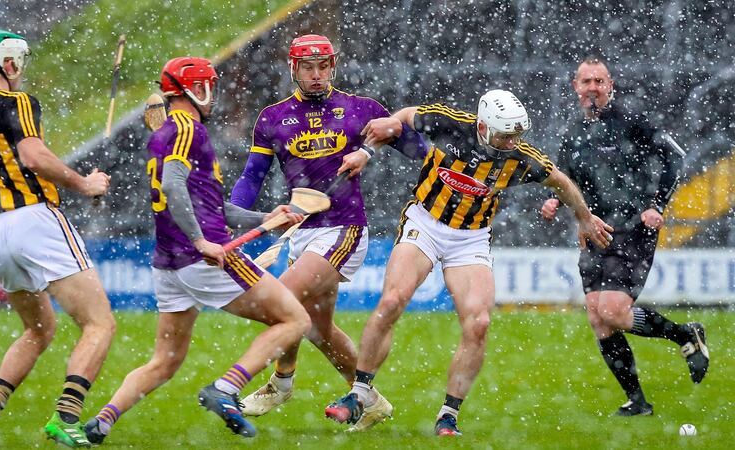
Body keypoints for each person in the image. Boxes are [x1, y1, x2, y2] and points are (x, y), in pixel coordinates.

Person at [325, 89, 615, 436]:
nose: (512, 142)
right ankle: (359, 393)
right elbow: (405, 116)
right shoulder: (450, 124)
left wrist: (584, 218)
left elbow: (562, 183)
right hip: (425, 223)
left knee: (478, 323)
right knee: (391, 301)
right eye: (506, 135)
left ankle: (448, 415)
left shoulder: (523, 158)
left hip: (471, 238)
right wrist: (380, 136)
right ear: (482, 126)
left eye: (517, 135)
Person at [82, 57, 310, 442]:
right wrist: (200, 241)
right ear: (196, 89)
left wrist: (267, 218)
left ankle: (102, 420)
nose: (213, 94)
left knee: (165, 361)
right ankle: (225, 388)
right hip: (205, 256)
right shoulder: (189, 130)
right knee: (295, 321)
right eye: (209, 86)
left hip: (168, 263)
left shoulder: (167, 133)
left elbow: (216, 207)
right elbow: (173, 187)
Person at [229, 34, 427, 430]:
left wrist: (369, 150)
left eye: (323, 66)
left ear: (333, 66)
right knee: (319, 330)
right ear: (293, 68)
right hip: (302, 231)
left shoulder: (361, 109)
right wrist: (232, 216)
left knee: (280, 301)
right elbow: (252, 176)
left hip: (344, 229)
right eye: (308, 67)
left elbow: (418, 148)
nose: (317, 75)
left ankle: (281, 383)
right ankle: (369, 400)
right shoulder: (272, 117)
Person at [0, 29, 116, 448]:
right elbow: (33, 156)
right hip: (34, 219)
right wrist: (84, 184)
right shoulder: (16, 102)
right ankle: (66, 417)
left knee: (38, 329)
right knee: (99, 323)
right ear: (7, 63)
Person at [540, 56, 709, 416]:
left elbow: (674, 157)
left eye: (599, 81)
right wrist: (555, 199)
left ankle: (684, 334)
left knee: (614, 312)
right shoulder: (573, 132)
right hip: (594, 232)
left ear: (611, 85)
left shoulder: (630, 119)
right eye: (586, 82)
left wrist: (657, 204)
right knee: (598, 318)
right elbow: (566, 178)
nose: (593, 88)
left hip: (633, 228)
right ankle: (638, 402)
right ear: (575, 87)